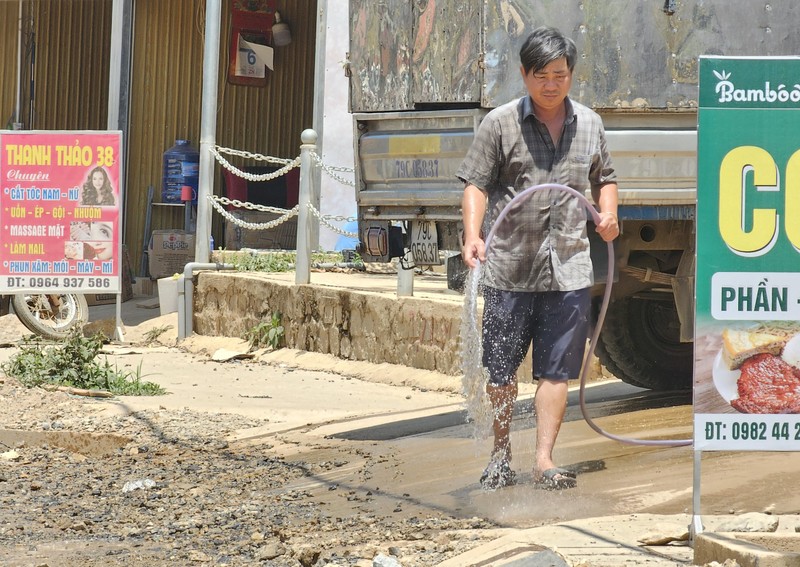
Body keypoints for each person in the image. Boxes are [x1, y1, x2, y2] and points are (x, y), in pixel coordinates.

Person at [457, 26, 619, 491]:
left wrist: (607, 214)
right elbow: (476, 183)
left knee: (556, 370)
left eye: (561, 74)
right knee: (501, 371)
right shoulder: (500, 123)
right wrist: (473, 235)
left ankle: (545, 460)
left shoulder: (590, 123)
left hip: (569, 265)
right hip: (509, 267)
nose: (552, 84)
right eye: (542, 75)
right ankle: (500, 454)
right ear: (525, 75)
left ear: (571, 75)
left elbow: (604, 176)